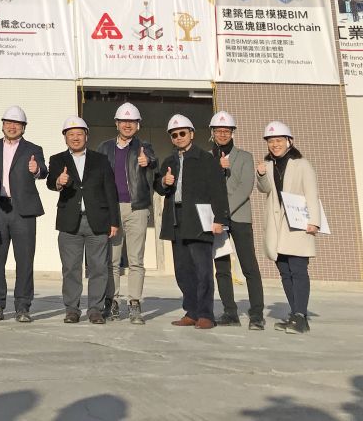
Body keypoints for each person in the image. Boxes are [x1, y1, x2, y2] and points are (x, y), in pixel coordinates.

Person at [153, 114, 228, 330]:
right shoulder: (169, 161)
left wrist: (220, 220)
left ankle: (205, 314)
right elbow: (158, 188)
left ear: (192, 134)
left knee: (202, 270)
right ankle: (191, 311)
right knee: (183, 270)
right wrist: (164, 182)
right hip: (176, 219)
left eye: (182, 133)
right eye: (174, 135)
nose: (178, 137)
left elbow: (218, 192)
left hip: (199, 220)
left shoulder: (206, 160)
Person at [47, 117, 120, 325]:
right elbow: (51, 182)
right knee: (71, 268)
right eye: (71, 134)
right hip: (70, 221)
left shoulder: (100, 159)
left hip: (97, 220)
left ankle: (95, 309)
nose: (75, 138)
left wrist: (114, 221)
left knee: (98, 267)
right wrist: (58, 182)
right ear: (65, 138)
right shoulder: (57, 159)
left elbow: (110, 191)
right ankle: (72, 309)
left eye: (79, 134)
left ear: (86, 136)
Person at [256, 121, 321, 335]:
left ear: (289, 141)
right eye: (271, 141)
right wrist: (261, 174)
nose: (274, 144)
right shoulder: (268, 164)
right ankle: (295, 314)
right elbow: (264, 190)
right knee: (285, 272)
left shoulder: (302, 164)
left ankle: (300, 316)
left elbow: (312, 193)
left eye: (278, 140)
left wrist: (314, 221)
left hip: (299, 225)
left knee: (298, 270)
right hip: (277, 226)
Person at [0, 105, 47, 322]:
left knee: (25, 260)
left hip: (24, 212)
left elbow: (43, 170)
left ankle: (22, 306)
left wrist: (36, 170)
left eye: (17, 124)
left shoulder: (33, 148)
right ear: (2, 125)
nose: (12, 127)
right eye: (8, 123)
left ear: (23, 127)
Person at [97, 102, 157, 325]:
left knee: (136, 260)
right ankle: (111, 301)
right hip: (111, 209)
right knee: (111, 260)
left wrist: (147, 161)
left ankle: (134, 303)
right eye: (124, 121)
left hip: (136, 208)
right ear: (116, 124)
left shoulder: (144, 147)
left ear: (138, 125)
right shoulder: (104, 148)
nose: (127, 125)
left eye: (132, 122)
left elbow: (154, 162)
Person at [209, 111, 265, 330]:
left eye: (226, 131)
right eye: (218, 131)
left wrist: (223, 211)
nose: (223, 134)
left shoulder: (245, 157)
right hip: (217, 221)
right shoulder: (207, 157)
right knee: (221, 267)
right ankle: (230, 312)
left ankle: (257, 314)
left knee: (249, 266)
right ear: (212, 133)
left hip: (239, 217)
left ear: (232, 133)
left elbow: (245, 188)